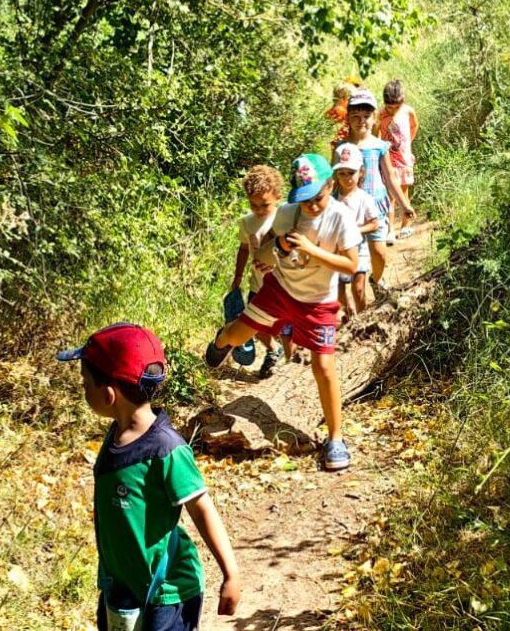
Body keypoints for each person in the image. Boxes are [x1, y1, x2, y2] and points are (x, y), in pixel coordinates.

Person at [57, 323, 241, 630]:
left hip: (167, 592)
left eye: (84, 383)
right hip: (122, 586)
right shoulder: (117, 434)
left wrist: (231, 573)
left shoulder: (167, 449)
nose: (83, 390)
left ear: (108, 394)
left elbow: (202, 508)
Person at [205, 154, 362, 471]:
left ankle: (336, 439)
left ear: (329, 186)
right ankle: (222, 340)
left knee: (324, 366)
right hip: (279, 290)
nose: (312, 207)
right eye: (305, 201)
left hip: (318, 300)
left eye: (317, 199)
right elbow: (262, 251)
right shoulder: (286, 215)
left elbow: (351, 264)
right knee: (239, 333)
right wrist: (279, 249)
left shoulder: (340, 218)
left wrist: (308, 248)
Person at [334, 88, 414, 300]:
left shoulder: (379, 146)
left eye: (366, 116)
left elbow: (390, 178)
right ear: (348, 119)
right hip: (349, 211)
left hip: (376, 206)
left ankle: (376, 280)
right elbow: (334, 179)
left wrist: (405, 205)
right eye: (356, 117)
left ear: (374, 117)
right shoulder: (340, 147)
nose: (362, 121)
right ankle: (353, 304)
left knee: (379, 254)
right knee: (351, 260)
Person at [231, 165, 288, 378]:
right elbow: (244, 248)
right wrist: (237, 277)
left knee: (283, 324)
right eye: (253, 205)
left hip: (283, 284)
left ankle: (288, 355)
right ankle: (275, 350)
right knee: (253, 324)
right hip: (258, 283)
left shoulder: (284, 219)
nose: (259, 210)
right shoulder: (247, 222)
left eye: (264, 205)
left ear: (277, 197)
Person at [331, 143, 380, 323]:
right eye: (342, 173)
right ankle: (350, 312)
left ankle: (365, 320)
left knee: (358, 289)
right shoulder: (331, 199)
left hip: (359, 250)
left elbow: (374, 224)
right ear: (336, 174)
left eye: (351, 173)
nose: (347, 178)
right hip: (337, 251)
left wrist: (354, 230)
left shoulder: (364, 199)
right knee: (338, 289)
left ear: (361, 172)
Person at [375, 79, 420, 241]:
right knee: (389, 195)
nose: (393, 111)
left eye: (396, 107)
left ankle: (405, 225)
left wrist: (409, 143)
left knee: (403, 191)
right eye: (390, 107)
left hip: (404, 158)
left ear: (403, 101)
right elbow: (376, 132)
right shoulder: (381, 114)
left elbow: (414, 125)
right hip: (388, 160)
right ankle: (389, 230)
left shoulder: (408, 111)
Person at [324, 79, 356, 146]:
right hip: (342, 143)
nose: (353, 102)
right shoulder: (341, 111)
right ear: (342, 99)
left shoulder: (329, 111)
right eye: (350, 99)